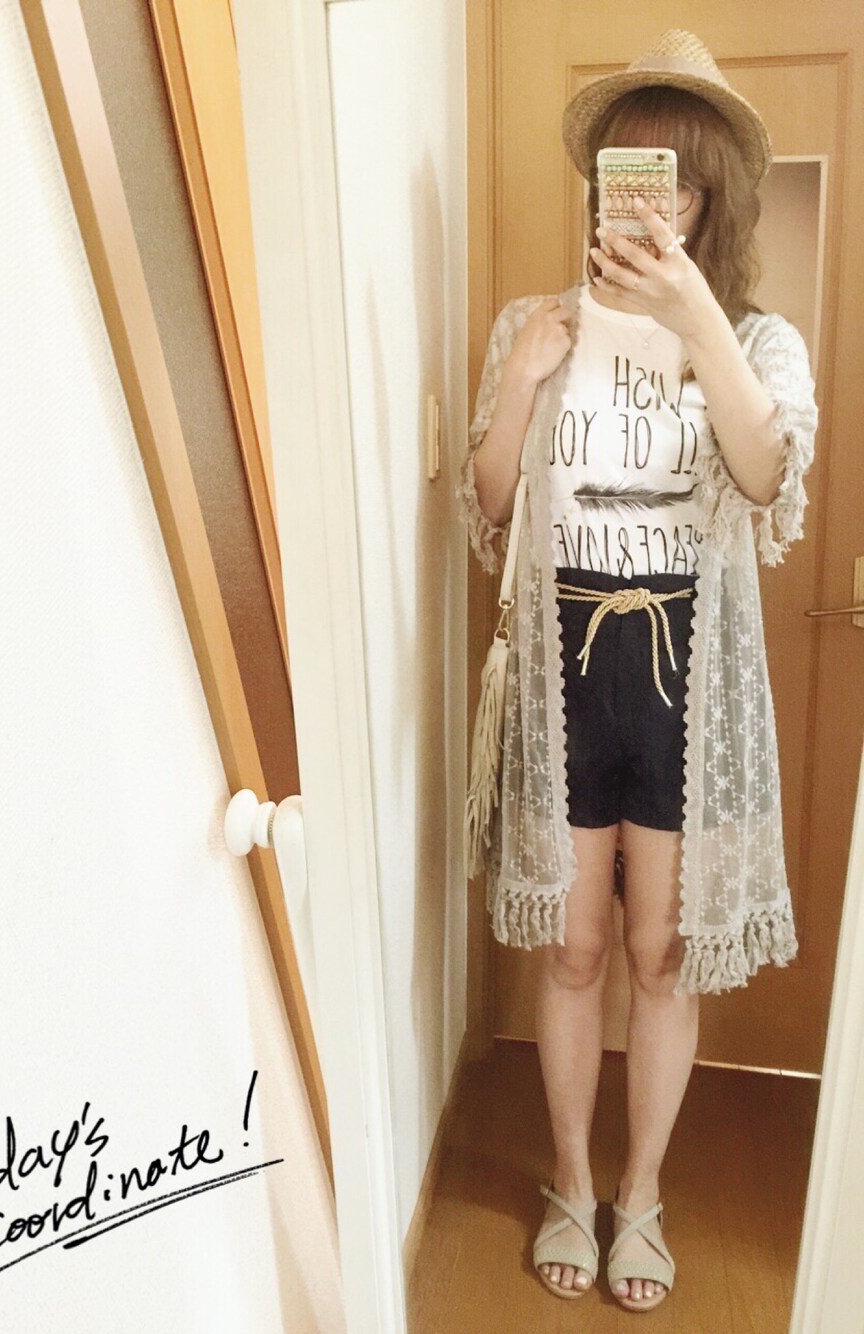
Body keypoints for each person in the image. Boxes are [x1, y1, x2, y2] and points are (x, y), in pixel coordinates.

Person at [456, 29, 819, 1313]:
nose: (650, 204)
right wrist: (520, 382)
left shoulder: (756, 341)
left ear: (711, 194)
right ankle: (570, 1180)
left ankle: (643, 1194)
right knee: (572, 952)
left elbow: (767, 477)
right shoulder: (535, 324)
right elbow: (488, 503)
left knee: (659, 956)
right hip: (566, 670)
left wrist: (694, 318)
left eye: (674, 180)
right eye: (626, 175)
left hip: (683, 682)